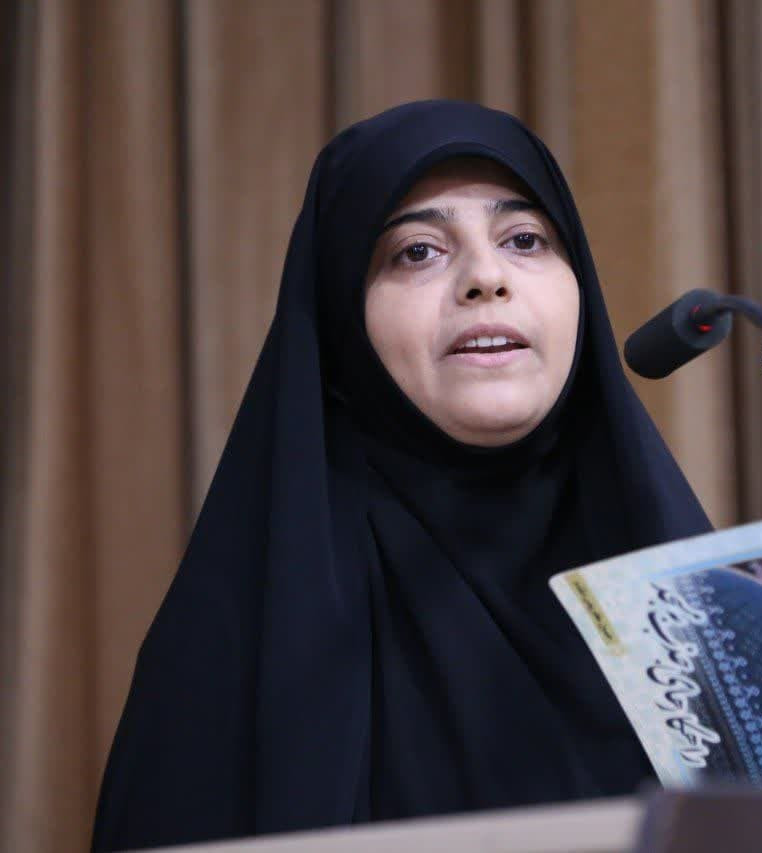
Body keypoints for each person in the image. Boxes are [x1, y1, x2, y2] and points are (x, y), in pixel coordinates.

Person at [92, 100, 711, 851]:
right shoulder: (235, 641)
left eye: (524, 239)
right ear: (342, 318)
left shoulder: (695, 601)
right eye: (418, 252)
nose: (486, 278)